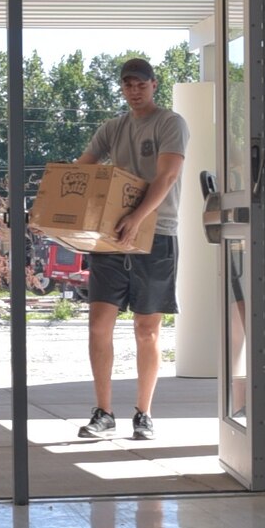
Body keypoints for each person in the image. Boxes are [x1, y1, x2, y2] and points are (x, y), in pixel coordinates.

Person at [75, 57, 189, 442]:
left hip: (156, 234)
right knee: (98, 325)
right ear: (122, 89)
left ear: (154, 85)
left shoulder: (169, 123)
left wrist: (138, 217)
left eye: (141, 83)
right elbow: (83, 169)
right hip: (109, 237)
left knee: (146, 329)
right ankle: (103, 412)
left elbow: (168, 174)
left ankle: (144, 414)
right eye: (128, 84)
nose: (134, 90)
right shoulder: (113, 128)